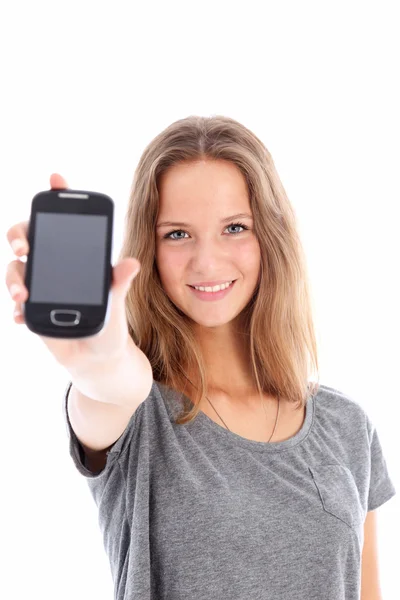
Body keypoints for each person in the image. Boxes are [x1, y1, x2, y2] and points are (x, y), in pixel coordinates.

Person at [6, 115, 396, 600]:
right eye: (177, 234)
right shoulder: (138, 414)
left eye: (234, 227)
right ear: (148, 247)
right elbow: (109, 383)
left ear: (270, 236)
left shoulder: (347, 426)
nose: (207, 262)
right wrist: (97, 350)